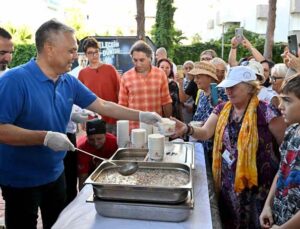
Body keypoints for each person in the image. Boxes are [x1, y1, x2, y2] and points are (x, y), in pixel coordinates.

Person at [0, 19, 161, 229]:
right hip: (20, 180)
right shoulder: (14, 80)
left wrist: (142, 115)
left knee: (59, 223)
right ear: (50, 49)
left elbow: (103, 105)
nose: (76, 56)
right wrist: (44, 137)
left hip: (55, 173)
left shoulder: (68, 81)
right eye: (71, 51)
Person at [172, 66, 286, 228]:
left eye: (233, 87)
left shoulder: (267, 112)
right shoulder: (222, 109)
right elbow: (205, 132)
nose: (228, 91)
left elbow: (285, 149)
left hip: (258, 187)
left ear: (249, 88)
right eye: (227, 87)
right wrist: (187, 128)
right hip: (229, 183)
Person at [260, 75, 300, 228]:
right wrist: (268, 205)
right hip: (279, 216)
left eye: (288, 101)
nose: (280, 106)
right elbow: (282, 170)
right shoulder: (291, 131)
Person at [119, 40, 172, 129]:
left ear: (150, 58)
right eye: (135, 60)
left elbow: (166, 102)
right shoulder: (126, 77)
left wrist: (167, 124)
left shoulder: (160, 74)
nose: (138, 64)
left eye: (142, 60)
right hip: (134, 128)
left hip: (155, 128)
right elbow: (122, 106)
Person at [78, 37, 120, 135]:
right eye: (90, 53)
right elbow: (79, 99)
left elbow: (120, 93)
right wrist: (82, 118)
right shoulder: (82, 74)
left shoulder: (110, 69)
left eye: (96, 52)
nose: (94, 55)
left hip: (112, 118)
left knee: (113, 148)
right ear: (86, 55)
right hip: (92, 120)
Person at [190, 61, 227, 160]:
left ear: (209, 77)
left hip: (214, 149)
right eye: (195, 77)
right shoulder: (201, 93)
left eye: (198, 77)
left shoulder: (221, 92)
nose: (195, 80)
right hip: (200, 144)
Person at [77, 118, 118, 190]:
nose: (96, 143)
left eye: (99, 139)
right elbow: (83, 177)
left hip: (110, 171)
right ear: (87, 137)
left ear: (105, 135)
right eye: (91, 140)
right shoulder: (82, 148)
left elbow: (117, 166)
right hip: (90, 173)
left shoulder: (113, 142)